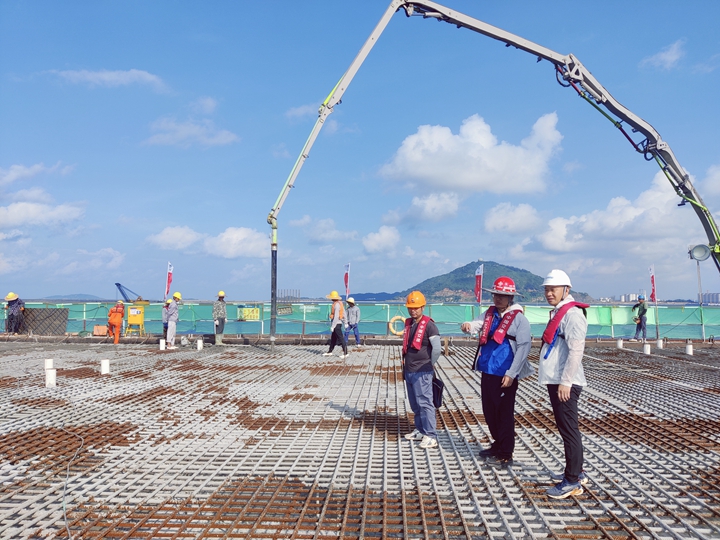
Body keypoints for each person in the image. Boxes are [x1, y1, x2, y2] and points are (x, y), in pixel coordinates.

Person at [460, 276, 533, 468]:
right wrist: (467, 326)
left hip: (505, 373)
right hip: (488, 369)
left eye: (502, 295)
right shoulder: (489, 314)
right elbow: (475, 325)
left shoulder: (519, 319)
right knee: (489, 410)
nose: (498, 298)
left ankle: (506, 452)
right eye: (495, 295)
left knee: (504, 413)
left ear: (510, 298)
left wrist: (512, 373)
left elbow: (524, 347)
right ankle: (497, 443)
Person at [539, 269, 590, 499]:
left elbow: (576, 350)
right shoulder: (561, 311)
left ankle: (571, 481)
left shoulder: (572, 314)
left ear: (566, 290)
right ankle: (577, 472)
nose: (549, 293)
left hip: (565, 382)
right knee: (567, 428)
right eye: (547, 290)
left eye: (553, 289)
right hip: (558, 380)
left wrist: (566, 382)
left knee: (569, 430)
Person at [402, 291, 442, 450]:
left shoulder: (430, 325)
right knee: (415, 403)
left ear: (423, 307)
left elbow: (437, 349)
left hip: (422, 371)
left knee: (425, 402)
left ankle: (430, 435)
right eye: (410, 308)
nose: (413, 311)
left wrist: (429, 364)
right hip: (409, 370)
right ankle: (420, 430)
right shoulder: (410, 324)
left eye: (416, 308)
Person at [322, 290, 348, 358]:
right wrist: (345, 322)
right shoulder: (340, 304)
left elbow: (336, 316)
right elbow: (344, 313)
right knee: (333, 338)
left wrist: (333, 326)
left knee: (341, 338)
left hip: (336, 324)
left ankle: (346, 353)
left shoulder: (336, 305)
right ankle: (330, 351)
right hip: (338, 323)